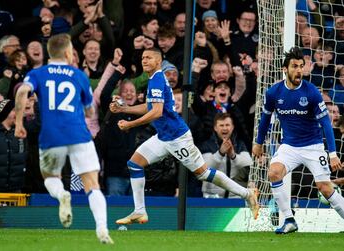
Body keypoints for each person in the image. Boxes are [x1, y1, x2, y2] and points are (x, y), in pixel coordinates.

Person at [110, 48, 259, 225]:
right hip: (164, 136)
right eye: (143, 58)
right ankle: (139, 211)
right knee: (134, 164)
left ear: (158, 62)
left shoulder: (157, 79)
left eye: (149, 58)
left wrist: (130, 124)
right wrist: (125, 109)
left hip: (177, 138)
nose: (144, 60)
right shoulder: (154, 80)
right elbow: (150, 107)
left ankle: (248, 194)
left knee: (203, 173)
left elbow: (156, 112)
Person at [14, 33, 113, 244]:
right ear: (69, 53)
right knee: (92, 184)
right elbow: (89, 111)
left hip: (52, 136)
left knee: (50, 177)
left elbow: (22, 91)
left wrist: (19, 123)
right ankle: (102, 229)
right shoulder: (78, 75)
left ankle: (62, 196)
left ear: (50, 52)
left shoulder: (38, 73)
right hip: (79, 135)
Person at [252, 47, 344, 234]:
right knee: (274, 172)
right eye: (295, 66)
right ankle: (288, 220)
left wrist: (332, 153)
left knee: (325, 188)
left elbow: (326, 123)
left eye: (301, 66)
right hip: (290, 146)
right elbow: (265, 119)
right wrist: (258, 142)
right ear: (285, 69)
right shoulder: (273, 93)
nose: (299, 70)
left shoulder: (311, 92)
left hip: (313, 146)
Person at [202, 113, 252, 198]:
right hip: (212, 196)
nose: (225, 128)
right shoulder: (207, 145)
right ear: (215, 128)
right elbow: (205, 168)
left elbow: (248, 164)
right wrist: (220, 153)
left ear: (232, 127)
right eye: (221, 125)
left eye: (227, 125)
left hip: (235, 196)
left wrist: (233, 156)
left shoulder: (239, 144)